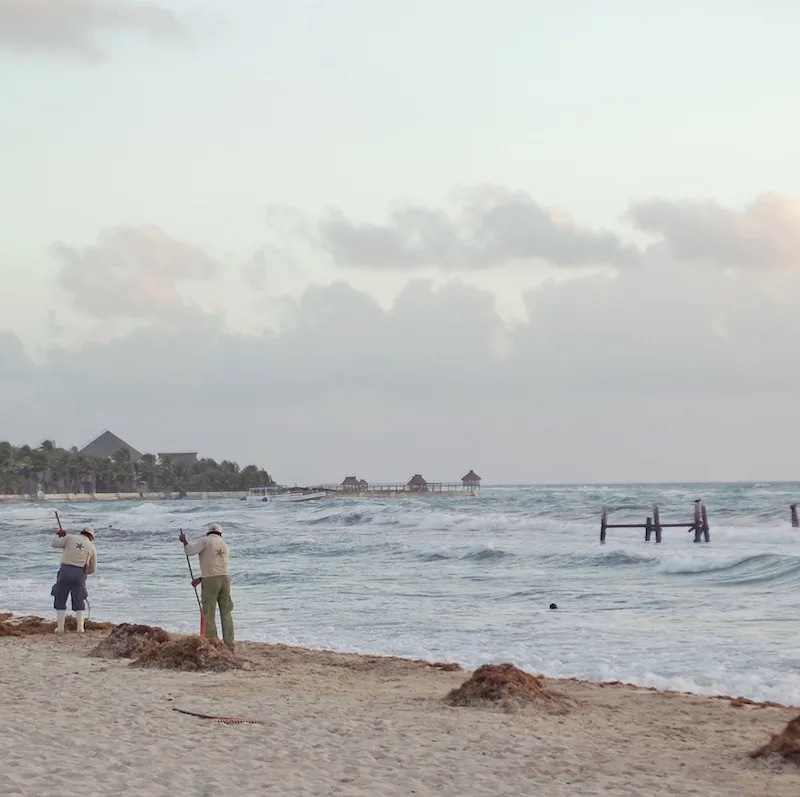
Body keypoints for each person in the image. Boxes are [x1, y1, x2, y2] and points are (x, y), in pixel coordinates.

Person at [179, 523, 234, 649]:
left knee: (208, 612)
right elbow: (217, 568)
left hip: (210, 580)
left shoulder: (205, 540)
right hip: (225, 579)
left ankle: (213, 642)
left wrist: (184, 541)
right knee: (226, 612)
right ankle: (229, 643)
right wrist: (200, 579)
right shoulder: (225, 546)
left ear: (208, 533)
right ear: (221, 534)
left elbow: (189, 551)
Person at [51, 525, 97, 633]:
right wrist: (84, 573)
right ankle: (80, 628)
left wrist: (59, 535)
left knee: (60, 598)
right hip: (80, 574)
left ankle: (60, 628)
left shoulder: (69, 538)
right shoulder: (91, 547)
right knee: (79, 599)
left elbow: (54, 543)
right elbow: (93, 568)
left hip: (65, 571)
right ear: (91, 536)